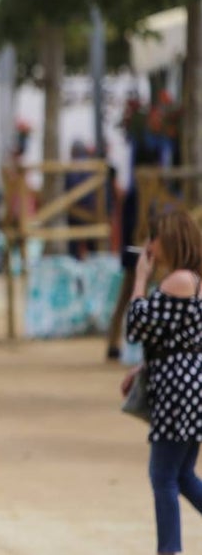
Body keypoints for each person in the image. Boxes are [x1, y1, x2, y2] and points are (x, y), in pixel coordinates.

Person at [123, 208, 202, 555]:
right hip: (185, 382)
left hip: (178, 388)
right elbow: (172, 336)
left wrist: (140, 278)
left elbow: (136, 325)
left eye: (153, 237)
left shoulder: (181, 280)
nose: (149, 246)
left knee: (163, 475)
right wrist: (142, 369)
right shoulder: (190, 279)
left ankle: (169, 551)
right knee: (181, 473)